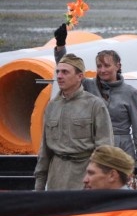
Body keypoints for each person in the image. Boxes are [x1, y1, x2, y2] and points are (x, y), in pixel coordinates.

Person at [54, 24, 137, 179]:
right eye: (99, 66)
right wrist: (60, 46)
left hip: (122, 151)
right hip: (94, 149)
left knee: (122, 195)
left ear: (118, 66)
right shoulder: (89, 86)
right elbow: (69, 70)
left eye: (107, 65)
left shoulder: (130, 93)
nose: (102, 70)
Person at [34, 53, 113, 190]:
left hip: (84, 177)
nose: (59, 76)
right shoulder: (52, 106)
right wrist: (39, 186)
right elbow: (45, 151)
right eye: (58, 71)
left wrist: (98, 183)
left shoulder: (95, 105)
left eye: (65, 72)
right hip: (56, 178)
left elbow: (105, 148)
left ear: (79, 76)